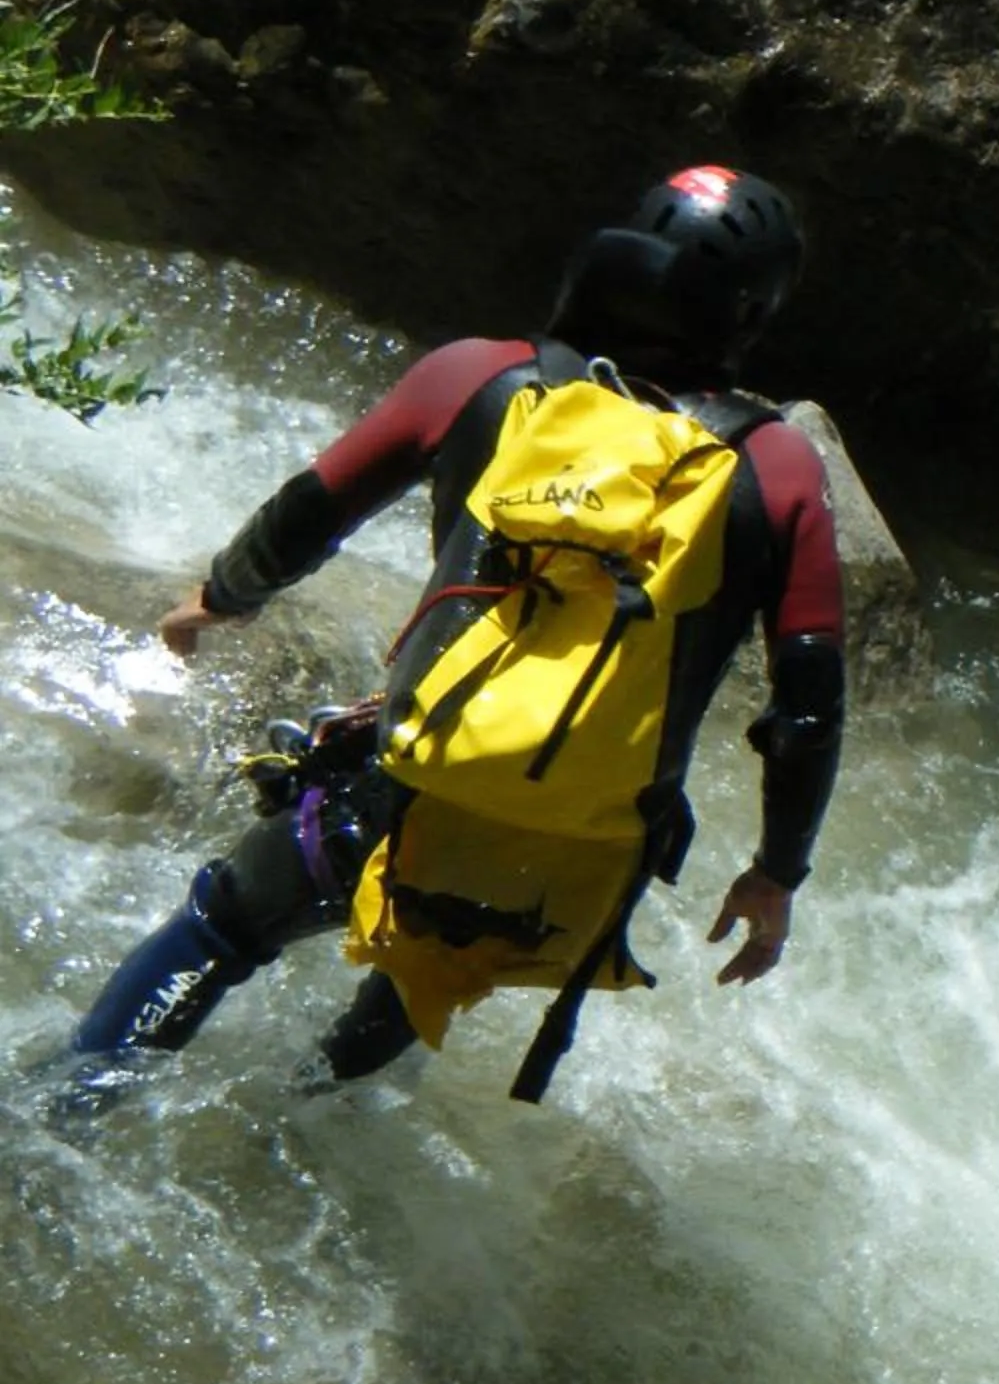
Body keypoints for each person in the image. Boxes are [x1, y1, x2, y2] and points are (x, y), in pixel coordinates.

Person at [69, 164, 846, 1101]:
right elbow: (809, 707)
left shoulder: (481, 375)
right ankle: (307, 1111)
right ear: (752, 313)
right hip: (573, 857)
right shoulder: (779, 467)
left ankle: (70, 1111)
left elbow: (312, 511)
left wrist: (222, 598)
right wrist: (775, 873)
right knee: (420, 984)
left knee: (220, 930)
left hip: (404, 787)